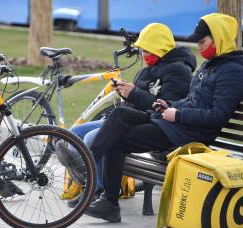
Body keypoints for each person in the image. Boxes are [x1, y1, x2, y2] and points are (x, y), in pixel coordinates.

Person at [78, 13, 243, 222]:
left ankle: (102, 193)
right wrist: (169, 105)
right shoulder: (212, 65)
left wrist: (178, 115)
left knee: (117, 140)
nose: (198, 47)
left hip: (189, 133)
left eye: (202, 42)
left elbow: (217, 116)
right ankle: (95, 181)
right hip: (177, 124)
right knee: (120, 114)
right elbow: (192, 100)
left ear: (220, 38)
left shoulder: (232, 70)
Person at [63, 23, 196, 208]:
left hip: (148, 123)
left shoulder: (179, 71)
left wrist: (133, 93)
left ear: (160, 49)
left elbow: (165, 109)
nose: (143, 55)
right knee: (75, 133)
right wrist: (125, 92)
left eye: (147, 50)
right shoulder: (149, 68)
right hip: (129, 116)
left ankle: (95, 191)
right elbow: (137, 99)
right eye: (141, 51)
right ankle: (85, 174)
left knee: (92, 138)